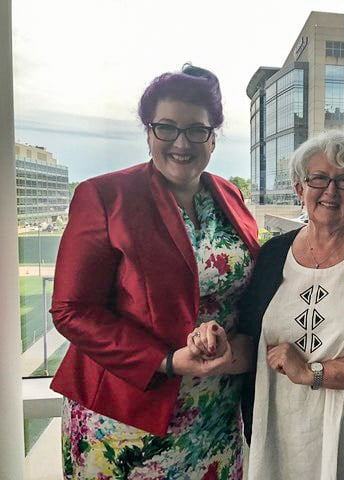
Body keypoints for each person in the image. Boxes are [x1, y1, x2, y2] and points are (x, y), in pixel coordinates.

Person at [50, 64, 260, 479]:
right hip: (125, 421)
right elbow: (71, 310)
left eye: (196, 130)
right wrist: (166, 360)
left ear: (213, 138)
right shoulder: (105, 196)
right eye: (167, 128)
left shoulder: (230, 196)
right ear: (149, 133)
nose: (181, 143)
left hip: (214, 415)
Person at [240, 130, 344, 480]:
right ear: (300, 187)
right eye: (318, 178)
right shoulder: (272, 255)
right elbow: (247, 337)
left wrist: (311, 373)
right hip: (274, 428)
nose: (330, 190)